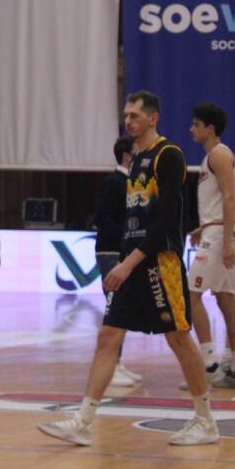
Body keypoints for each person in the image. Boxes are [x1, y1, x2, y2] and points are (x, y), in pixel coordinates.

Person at [38, 91, 219, 447]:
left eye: (135, 115)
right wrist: (125, 260)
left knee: (179, 338)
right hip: (132, 262)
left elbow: (168, 219)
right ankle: (83, 422)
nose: (128, 120)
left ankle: (206, 420)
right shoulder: (135, 160)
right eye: (126, 114)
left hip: (159, 263)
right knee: (108, 337)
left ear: (153, 118)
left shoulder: (169, 155)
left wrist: (129, 261)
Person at [185, 103, 235, 388]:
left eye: (196, 124)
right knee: (226, 300)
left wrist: (224, 242)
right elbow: (219, 200)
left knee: (191, 295)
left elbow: (229, 197)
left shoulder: (219, 154)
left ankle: (209, 363)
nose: (191, 129)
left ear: (210, 128)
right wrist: (205, 226)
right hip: (219, 230)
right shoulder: (213, 156)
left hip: (222, 235)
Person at [94, 134, 142, 387]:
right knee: (115, 310)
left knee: (120, 310)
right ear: (126, 155)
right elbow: (101, 218)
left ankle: (117, 363)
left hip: (117, 252)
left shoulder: (128, 182)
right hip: (111, 252)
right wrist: (126, 238)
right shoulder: (114, 181)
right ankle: (110, 366)